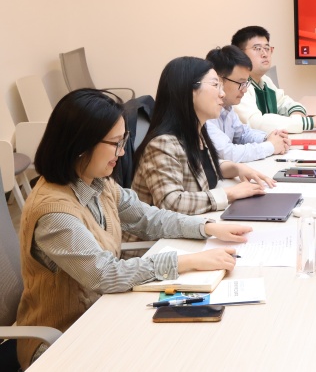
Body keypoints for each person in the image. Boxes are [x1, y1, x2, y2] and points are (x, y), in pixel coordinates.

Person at [16, 89, 252, 369]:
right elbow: (105, 274)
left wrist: (208, 227)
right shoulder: (54, 212)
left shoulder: (96, 181)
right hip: (62, 339)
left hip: (104, 312)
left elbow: (148, 218)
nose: (121, 152)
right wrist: (188, 261)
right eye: (116, 143)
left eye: (123, 140)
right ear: (81, 144)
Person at [132, 57, 275, 217]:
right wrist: (229, 194)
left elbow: (195, 168)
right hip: (160, 234)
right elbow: (171, 202)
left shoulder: (197, 131)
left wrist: (235, 168)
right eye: (215, 85)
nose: (222, 94)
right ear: (188, 90)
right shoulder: (162, 143)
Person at [231, 25, 316, 134]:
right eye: (257, 49)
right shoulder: (237, 85)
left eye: (267, 48)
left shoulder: (265, 80)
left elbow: (286, 103)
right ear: (240, 54)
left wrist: (297, 117)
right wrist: (306, 122)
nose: (265, 54)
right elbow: (256, 123)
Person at [205, 45, 289, 162]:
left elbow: (242, 134)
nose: (244, 90)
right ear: (219, 80)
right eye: (240, 83)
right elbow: (227, 153)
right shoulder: (203, 111)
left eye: (246, 83)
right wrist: (270, 146)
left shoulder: (227, 107)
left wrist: (269, 138)